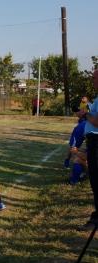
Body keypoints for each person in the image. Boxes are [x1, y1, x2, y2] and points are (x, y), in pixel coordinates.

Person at [80, 69, 98, 230]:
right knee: (94, 180)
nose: (92, 80)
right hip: (93, 141)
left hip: (96, 141)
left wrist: (86, 114)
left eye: (94, 78)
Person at [64, 106, 87, 185]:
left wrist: (68, 158)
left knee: (77, 158)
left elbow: (73, 147)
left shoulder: (82, 126)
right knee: (83, 152)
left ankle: (75, 179)